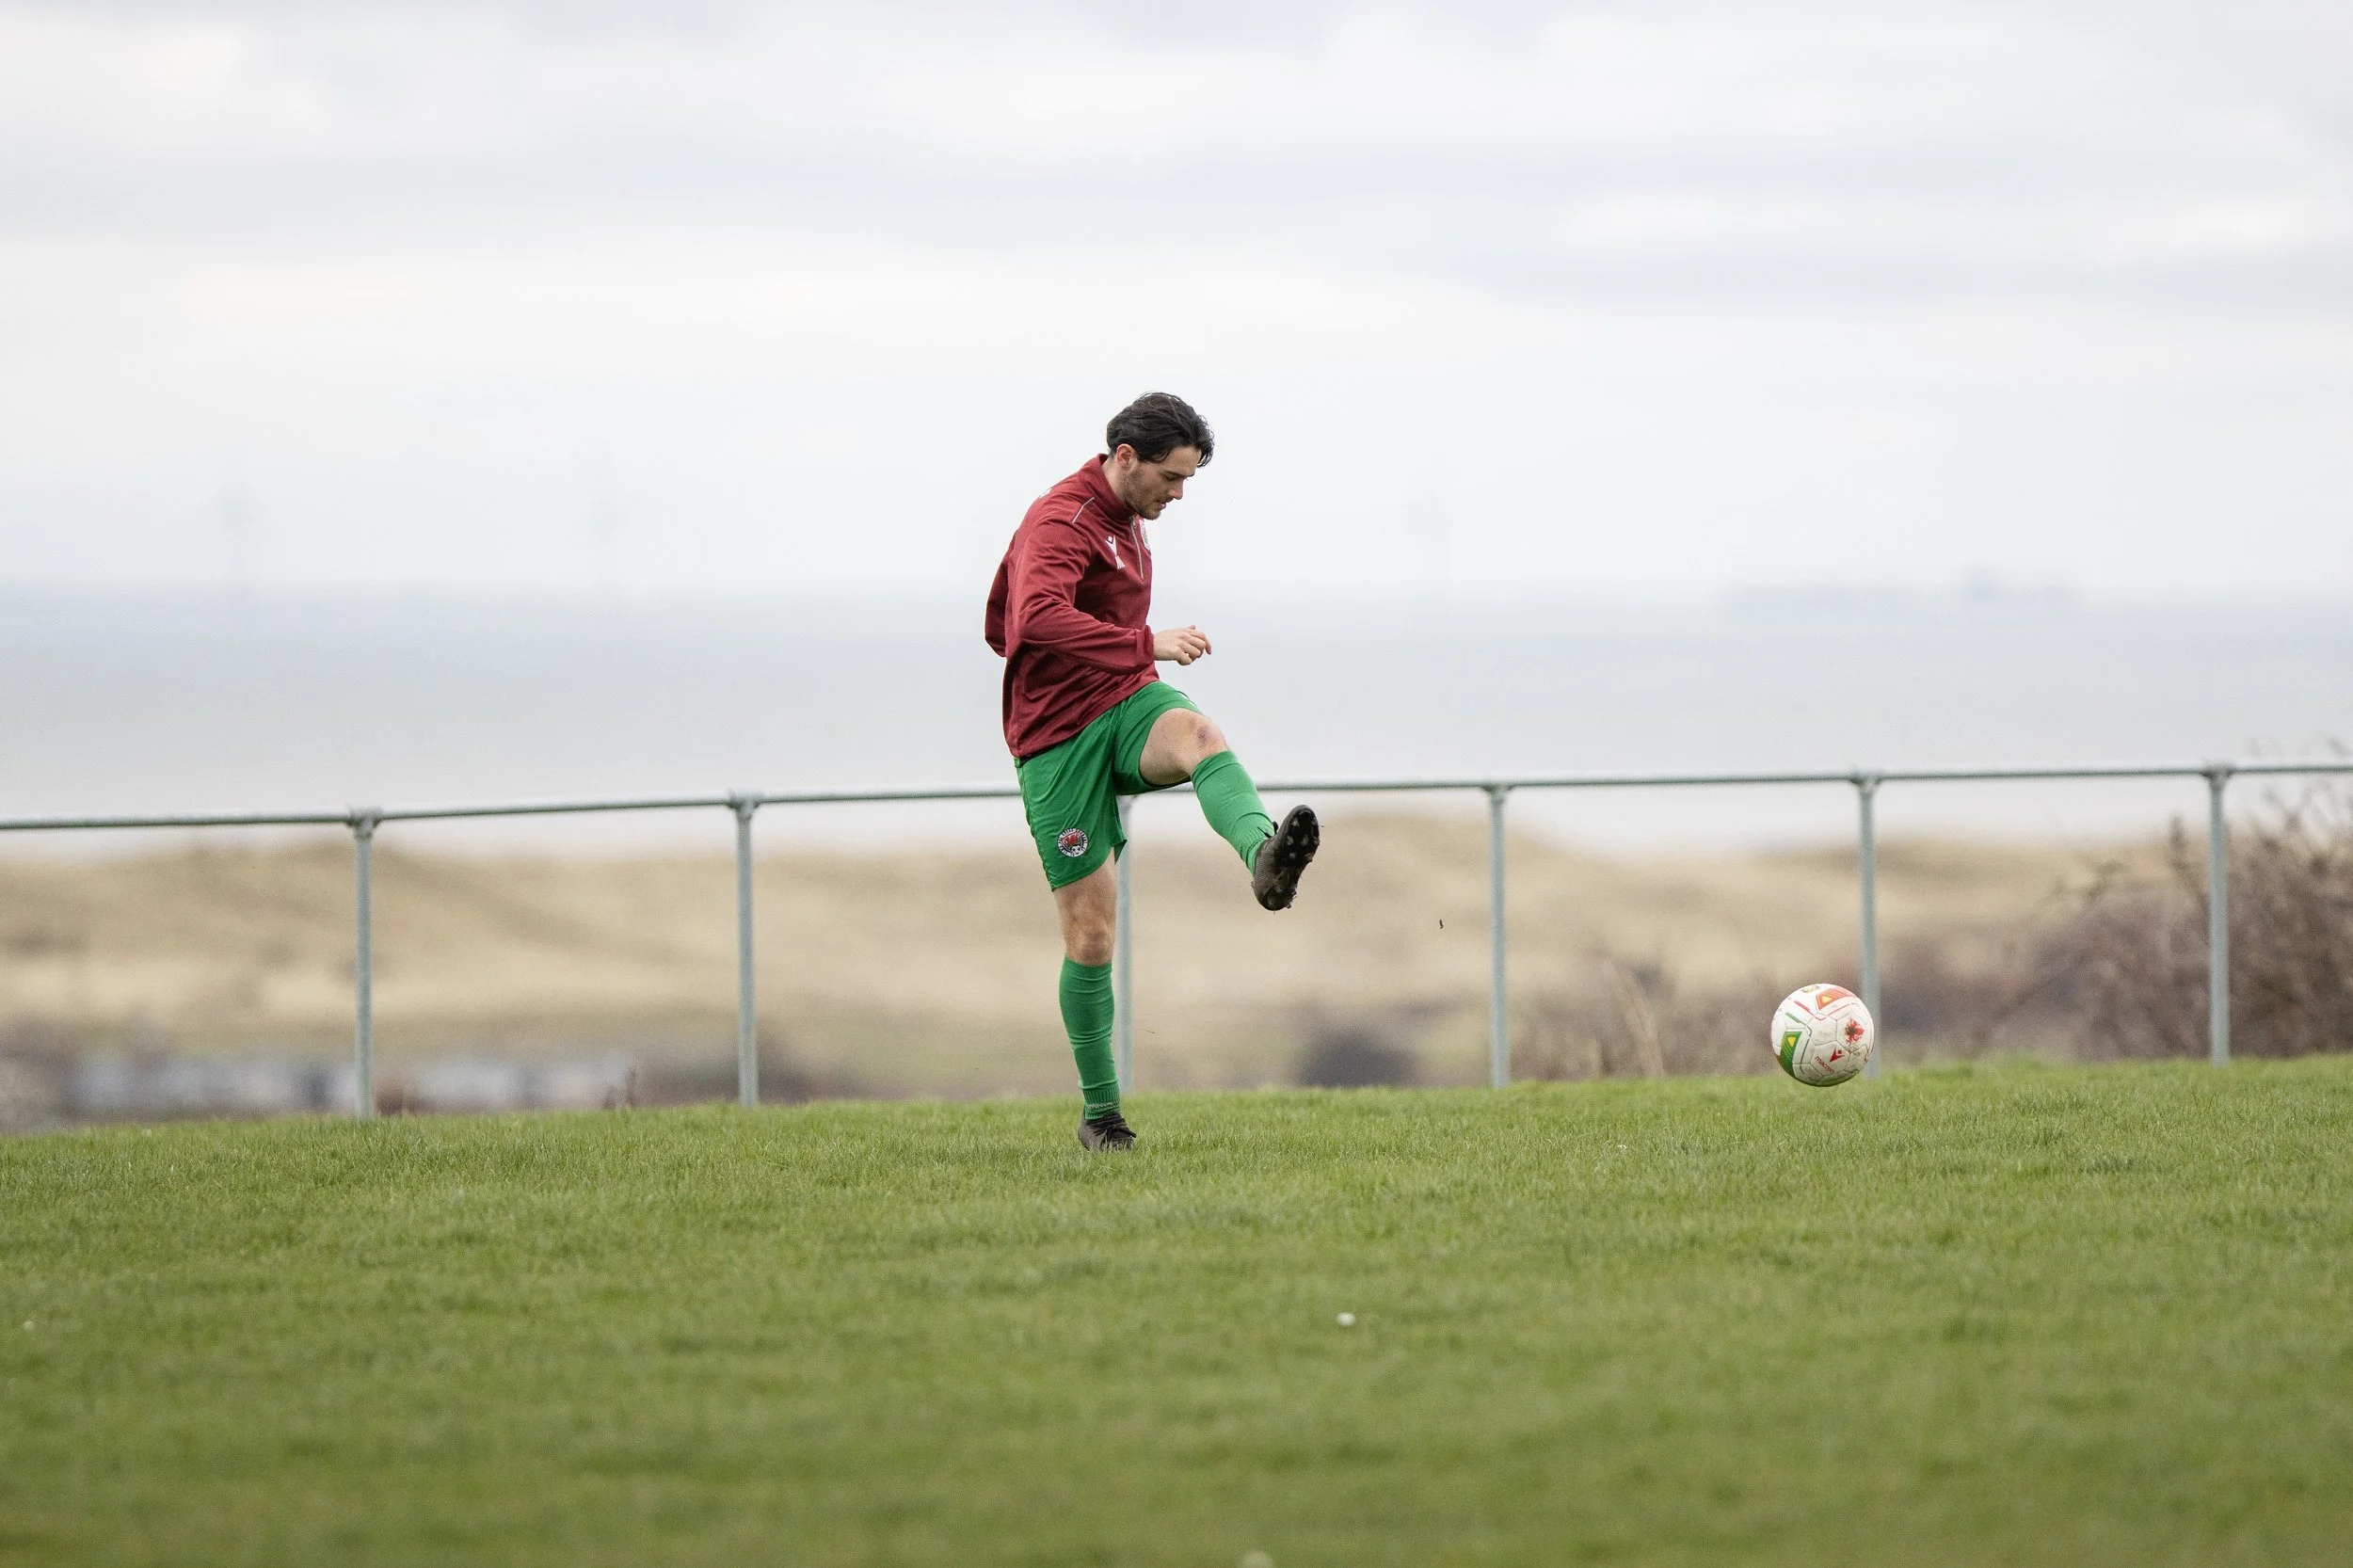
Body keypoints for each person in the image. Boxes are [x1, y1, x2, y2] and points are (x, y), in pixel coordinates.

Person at [984, 392, 1319, 1151]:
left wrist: (1132, 661)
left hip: (1124, 703)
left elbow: (1015, 616)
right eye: (1171, 478)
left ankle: (1265, 857)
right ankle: (1102, 1118)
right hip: (1057, 741)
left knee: (1200, 733)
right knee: (1092, 936)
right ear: (1125, 458)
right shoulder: (1061, 520)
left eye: (1189, 480)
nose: (1179, 494)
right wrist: (1145, 642)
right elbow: (1028, 618)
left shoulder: (1129, 519)